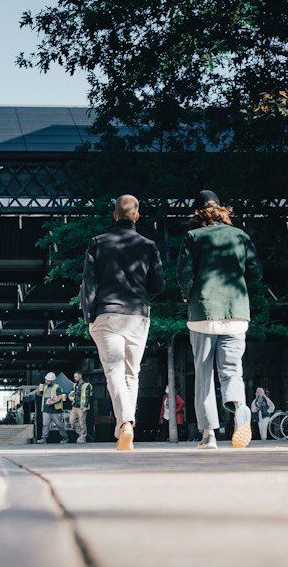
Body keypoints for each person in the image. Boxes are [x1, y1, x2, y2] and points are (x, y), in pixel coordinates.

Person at [177, 189, 263, 451]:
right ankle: (239, 408)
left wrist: (189, 295)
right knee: (232, 370)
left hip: (203, 315)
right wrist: (237, 287)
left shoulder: (192, 237)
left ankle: (209, 436)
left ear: (197, 213)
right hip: (236, 313)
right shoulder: (241, 236)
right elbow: (256, 272)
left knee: (203, 375)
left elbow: (184, 275)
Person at [81, 194, 165, 451]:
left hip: (107, 314)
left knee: (114, 370)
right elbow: (158, 285)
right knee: (132, 373)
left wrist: (89, 315)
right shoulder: (149, 246)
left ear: (115, 215)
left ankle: (125, 423)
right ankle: (126, 426)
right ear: (136, 217)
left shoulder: (98, 243)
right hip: (138, 315)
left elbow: (89, 283)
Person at [40, 373, 69, 444]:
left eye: (48, 381)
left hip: (55, 410)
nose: (46, 382)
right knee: (45, 424)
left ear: (52, 381)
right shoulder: (45, 387)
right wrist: (39, 389)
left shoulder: (57, 387)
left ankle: (65, 437)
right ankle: (44, 438)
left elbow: (60, 397)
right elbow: (39, 394)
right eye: (46, 380)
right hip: (46, 409)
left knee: (59, 424)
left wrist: (53, 402)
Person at [69, 371, 93, 444]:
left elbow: (88, 396)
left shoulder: (86, 385)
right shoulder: (74, 385)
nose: (75, 378)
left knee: (82, 422)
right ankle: (80, 434)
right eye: (74, 377)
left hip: (82, 407)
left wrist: (86, 406)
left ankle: (83, 437)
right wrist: (71, 394)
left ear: (80, 376)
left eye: (76, 377)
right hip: (75, 406)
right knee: (71, 421)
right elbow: (72, 394)